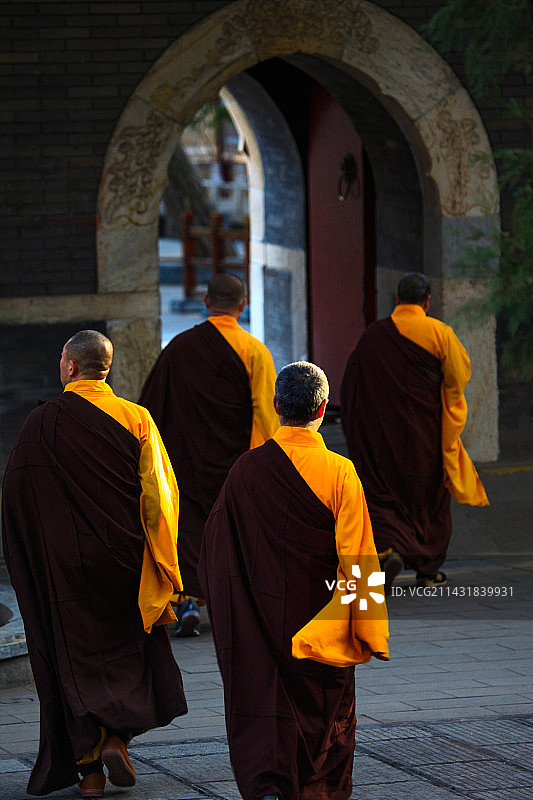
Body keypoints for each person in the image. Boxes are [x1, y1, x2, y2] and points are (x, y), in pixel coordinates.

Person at [1, 330, 187, 799]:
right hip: (123, 563)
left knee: (73, 661)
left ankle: (88, 772)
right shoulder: (136, 418)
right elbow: (161, 499)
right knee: (126, 657)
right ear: (108, 367)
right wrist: (165, 569)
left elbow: (17, 499)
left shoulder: (39, 424)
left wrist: (32, 558)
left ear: (70, 368)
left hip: (65, 572)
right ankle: (117, 738)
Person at [198, 361, 389, 800]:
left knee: (270, 713)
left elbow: (217, 549)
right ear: (323, 408)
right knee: (329, 727)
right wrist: (368, 631)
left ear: (276, 405)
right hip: (323, 628)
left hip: (263, 624)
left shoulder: (245, 472)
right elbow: (358, 559)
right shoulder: (340, 472)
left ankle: (271, 785)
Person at [139, 272, 278, 636]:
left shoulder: (179, 347)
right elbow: (265, 413)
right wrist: (264, 466)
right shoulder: (255, 352)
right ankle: (229, 603)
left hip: (183, 459)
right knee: (230, 533)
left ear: (205, 303)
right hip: (233, 463)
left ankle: (185, 599)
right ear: (242, 305)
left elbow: (152, 405)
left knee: (187, 530)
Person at [340, 272, 489, 594]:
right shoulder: (439, 333)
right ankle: (427, 571)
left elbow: (352, 386)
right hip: (424, 434)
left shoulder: (373, 336)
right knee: (429, 499)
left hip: (381, 436)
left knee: (384, 495)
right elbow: (458, 377)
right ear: (427, 301)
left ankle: (389, 548)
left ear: (396, 300)